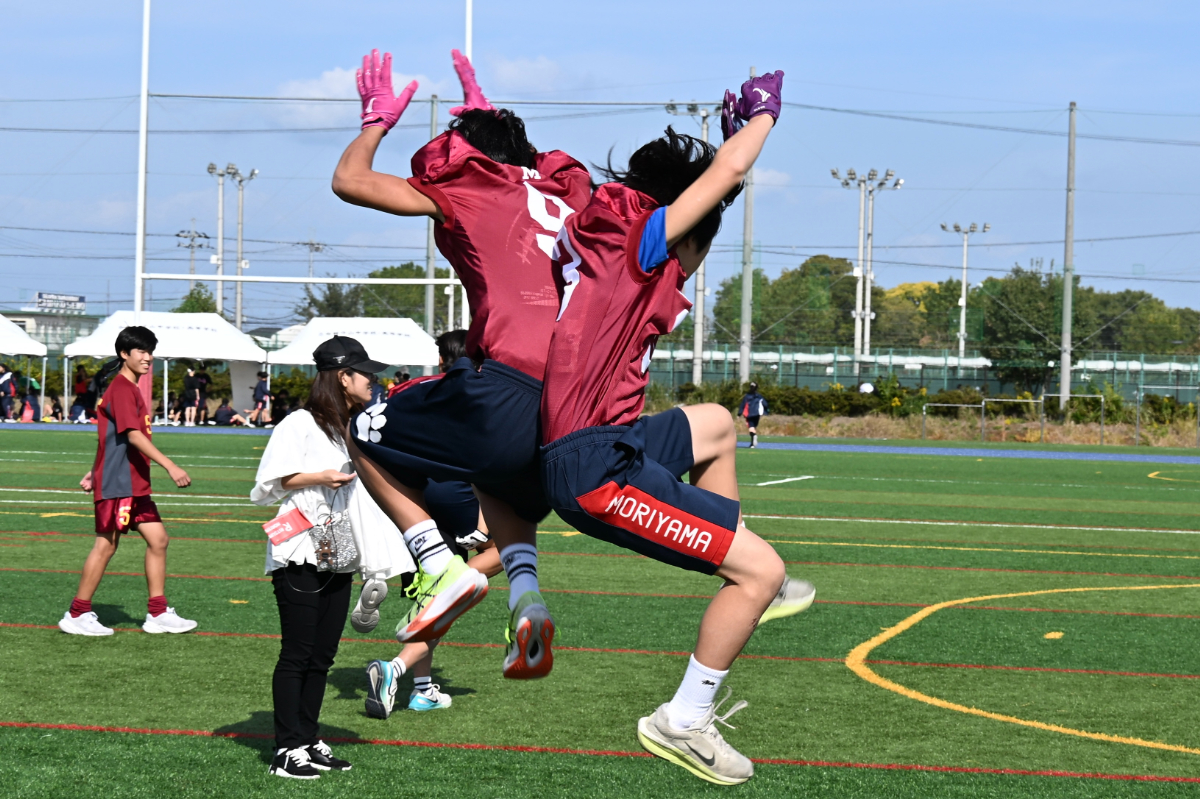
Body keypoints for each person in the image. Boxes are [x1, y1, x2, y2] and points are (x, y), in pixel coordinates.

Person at [536, 72, 815, 785]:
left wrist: (720, 164)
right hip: (594, 468)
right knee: (762, 571)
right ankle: (684, 717)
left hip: (605, 440)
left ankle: (738, 560)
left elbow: (713, 186)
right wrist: (761, 120)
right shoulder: (640, 242)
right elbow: (728, 174)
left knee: (716, 424)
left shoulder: (604, 238)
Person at [334, 48, 591, 673]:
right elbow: (526, 172)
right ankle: (526, 597)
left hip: (511, 377)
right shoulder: (569, 193)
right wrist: (492, 121)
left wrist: (375, 122)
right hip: (583, 396)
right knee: (501, 484)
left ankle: (435, 560)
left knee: (363, 427)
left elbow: (350, 181)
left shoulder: (476, 190)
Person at [251, 335, 414, 780]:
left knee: (323, 654)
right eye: (366, 374)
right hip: (299, 547)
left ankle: (307, 738)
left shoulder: (349, 426)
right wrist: (319, 477)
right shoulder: (300, 423)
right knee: (298, 652)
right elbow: (269, 484)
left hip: (336, 544)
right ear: (343, 376)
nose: (372, 381)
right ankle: (286, 749)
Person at [363, 328, 502, 719]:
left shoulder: (413, 390)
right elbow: (490, 455)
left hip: (411, 501)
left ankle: (423, 689)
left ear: (442, 359)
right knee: (507, 551)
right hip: (453, 492)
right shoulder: (480, 392)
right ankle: (396, 668)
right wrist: (482, 517)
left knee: (431, 595)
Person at [58, 325, 198, 637]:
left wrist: (94, 470)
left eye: (151, 351)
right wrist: (170, 466)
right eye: (142, 351)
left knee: (158, 540)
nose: (148, 357)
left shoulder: (130, 388)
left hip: (133, 484)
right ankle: (77, 614)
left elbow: (109, 438)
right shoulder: (122, 389)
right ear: (124, 354)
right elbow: (132, 435)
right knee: (106, 545)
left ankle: (158, 613)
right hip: (120, 483)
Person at [739, 382, 768, 448]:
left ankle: (754, 438)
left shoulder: (747, 396)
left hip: (749, 414)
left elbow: (742, 405)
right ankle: (752, 443)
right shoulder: (759, 396)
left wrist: (739, 413)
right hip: (757, 414)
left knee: (751, 427)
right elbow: (765, 404)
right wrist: (766, 411)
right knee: (753, 427)